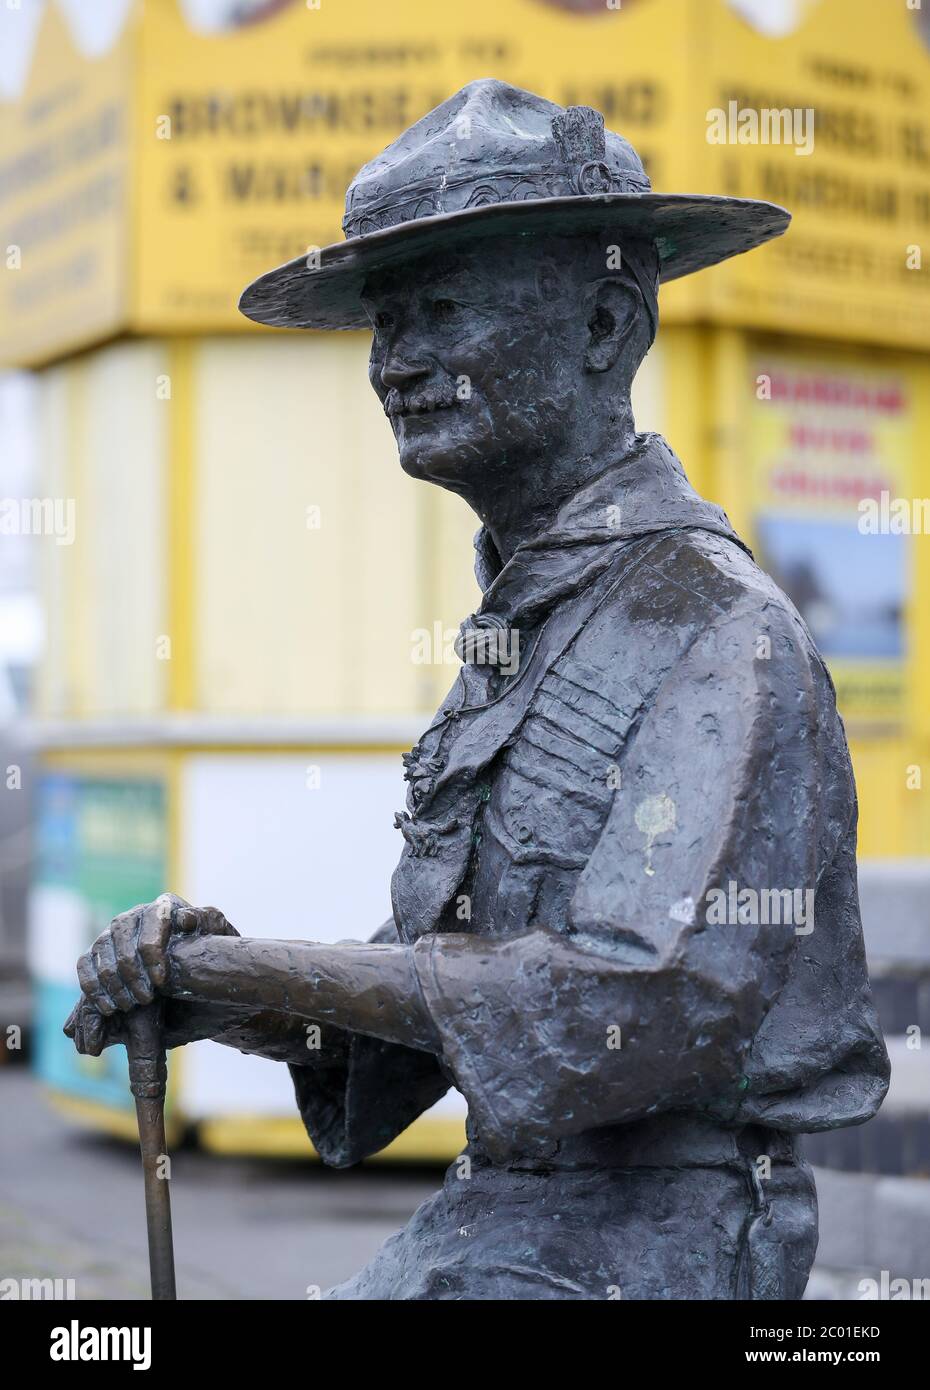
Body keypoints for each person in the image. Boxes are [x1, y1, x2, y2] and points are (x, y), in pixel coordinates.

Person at [66, 79, 889, 1300]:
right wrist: (211, 982)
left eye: (441, 310)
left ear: (607, 327)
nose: (395, 365)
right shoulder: (529, 634)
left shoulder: (719, 630)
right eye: (383, 326)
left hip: (658, 1249)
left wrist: (265, 975)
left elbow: (637, 1004)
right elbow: (418, 1021)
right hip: (499, 1230)